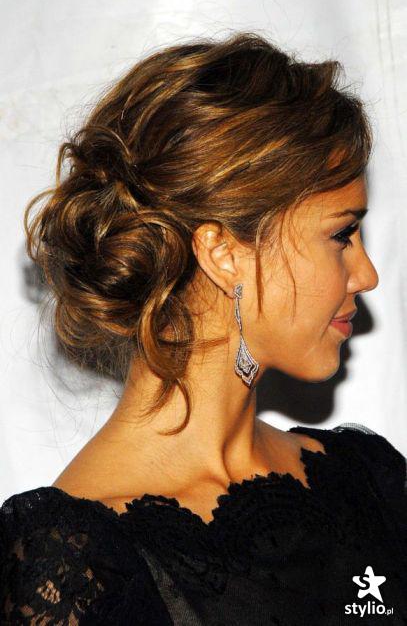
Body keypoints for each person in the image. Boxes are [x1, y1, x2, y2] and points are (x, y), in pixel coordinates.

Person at [0, 31, 406, 625]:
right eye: (341, 234)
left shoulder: (366, 481)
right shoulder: (77, 569)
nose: (367, 275)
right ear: (223, 253)